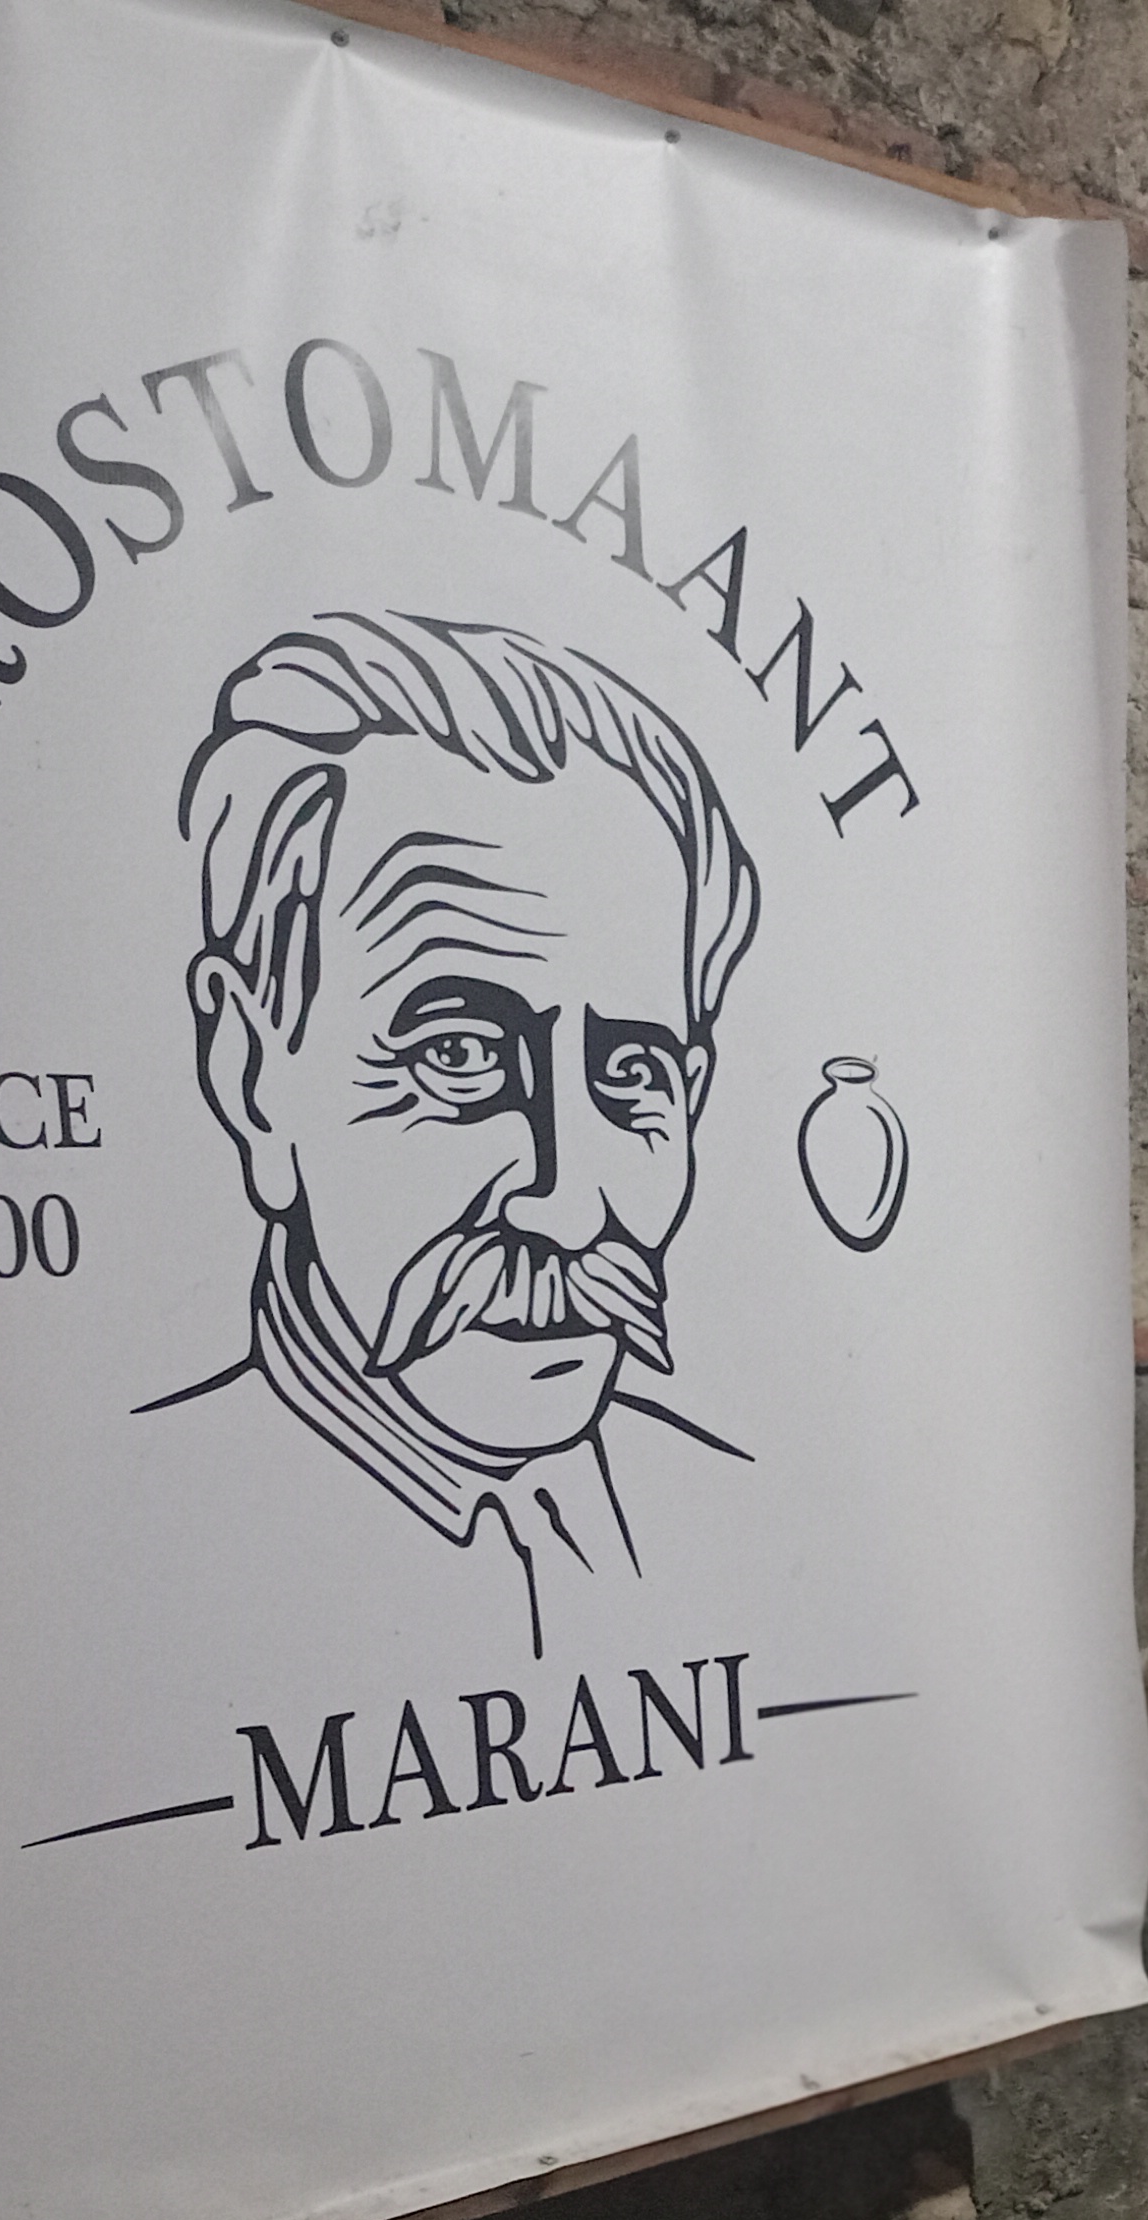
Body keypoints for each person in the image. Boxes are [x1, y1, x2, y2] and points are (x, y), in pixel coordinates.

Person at [153, 611, 759, 1662]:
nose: (566, 1208)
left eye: (630, 1074)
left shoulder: (750, 1512)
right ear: (252, 1075)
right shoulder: (118, 1571)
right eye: (461, 1054)